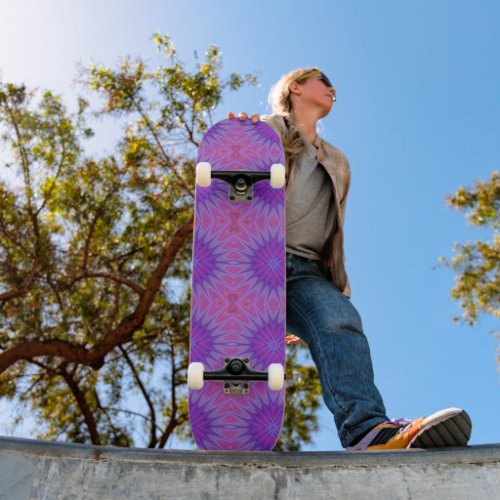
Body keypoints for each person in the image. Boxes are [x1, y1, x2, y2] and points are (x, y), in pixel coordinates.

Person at [228, 67, 472, 451]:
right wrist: (238, 137)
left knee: (340, 320)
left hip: (305, 272)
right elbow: (226, 178)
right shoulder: (265, 130)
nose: (332, 89)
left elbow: (331, 230)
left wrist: (319, 298)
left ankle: (367, 432)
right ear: (295, 87)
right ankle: (233, 427)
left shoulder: (338, 161)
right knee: (245, 356)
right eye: (323, 82)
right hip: (256, 259)